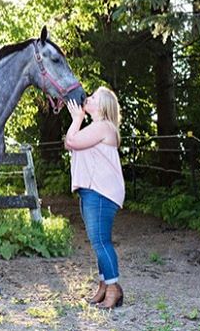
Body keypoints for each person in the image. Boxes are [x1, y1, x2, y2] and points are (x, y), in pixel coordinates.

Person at [65, 86, 125, 309]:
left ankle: (113, 288)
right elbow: (70, 141)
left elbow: (71, 142)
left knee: (101, 242)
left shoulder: (104, 127)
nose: (87, 99)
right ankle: (104, 284)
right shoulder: (96, 127)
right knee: (97, 241)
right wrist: (78, 120)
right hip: (92, 190)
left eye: (93, 98)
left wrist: (77, 118)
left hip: (101, 191)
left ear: (103, 106)